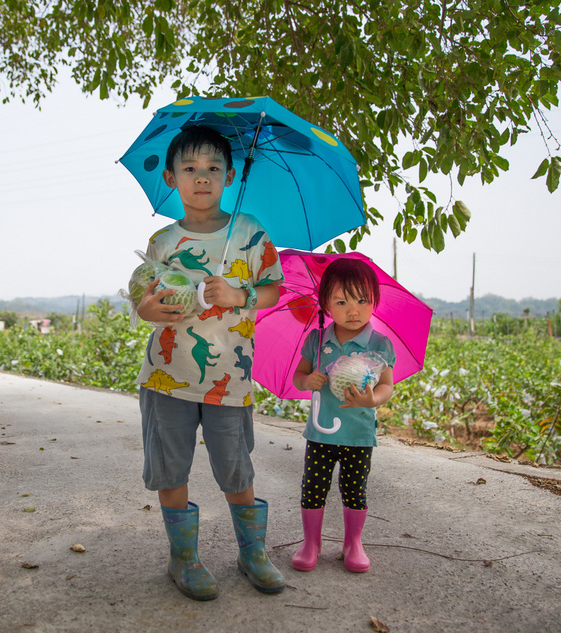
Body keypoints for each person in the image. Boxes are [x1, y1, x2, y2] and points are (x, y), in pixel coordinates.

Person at [134, 125, 285, 600]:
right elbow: (142, 299)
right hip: (167, 379)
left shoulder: (251, 233)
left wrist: (241, 294)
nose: (202, 178)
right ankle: (184, 559)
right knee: (170, 469)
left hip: (230, 381)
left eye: (213, 169)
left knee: (236, 469)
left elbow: (275, 289)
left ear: (230, 176)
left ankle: (253, 553)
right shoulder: (161, 241)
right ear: (173, 179)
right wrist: (148, 309)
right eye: (190, 169)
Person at [290, 257, 396, 573]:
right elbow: (299, 375)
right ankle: (312, 543)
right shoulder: (317, 340)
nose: (354, 310)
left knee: (354, 490)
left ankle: (354, 543)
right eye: (341, 301)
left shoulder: (379, 343)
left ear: (373, 301)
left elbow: (387, 385)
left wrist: (372, 398)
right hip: (321, 432)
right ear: (325, 304)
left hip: (358, 434)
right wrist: (307, 381)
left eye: (362, 300)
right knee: (313, 488)